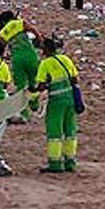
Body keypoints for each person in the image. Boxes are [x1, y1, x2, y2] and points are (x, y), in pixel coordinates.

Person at [33, 36, 80, 173]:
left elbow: (41, 86)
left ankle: (55, 163)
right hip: (70, 99)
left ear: (45, 50)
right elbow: (75, 78)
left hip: (56, 101)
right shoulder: (66, 59)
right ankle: (70, 162)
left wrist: (37, 90)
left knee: (55, 133)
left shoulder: (45, 64)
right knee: (70, 130)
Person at [0, 10, 41, 121]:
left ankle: (24, 113)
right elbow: (34, 30)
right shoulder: (20, 23)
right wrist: (40, 39)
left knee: (20, 86)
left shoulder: (2, 32)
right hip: (30, 55)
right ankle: (34, 103)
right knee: (34, 81)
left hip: (17, 58)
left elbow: (1, 47)